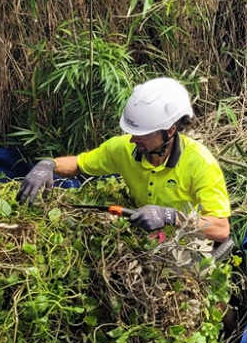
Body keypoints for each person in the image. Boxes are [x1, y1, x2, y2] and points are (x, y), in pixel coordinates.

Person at [16, 77, 231, 243]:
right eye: (133, 132)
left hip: (184, 244)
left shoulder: (201, 164)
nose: (134, 139)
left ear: (170, 130)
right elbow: (80, 164)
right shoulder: (125, 148)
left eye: (144, 134)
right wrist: (48, 165)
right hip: (145, 237)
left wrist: (171, 217)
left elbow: (221, 229)